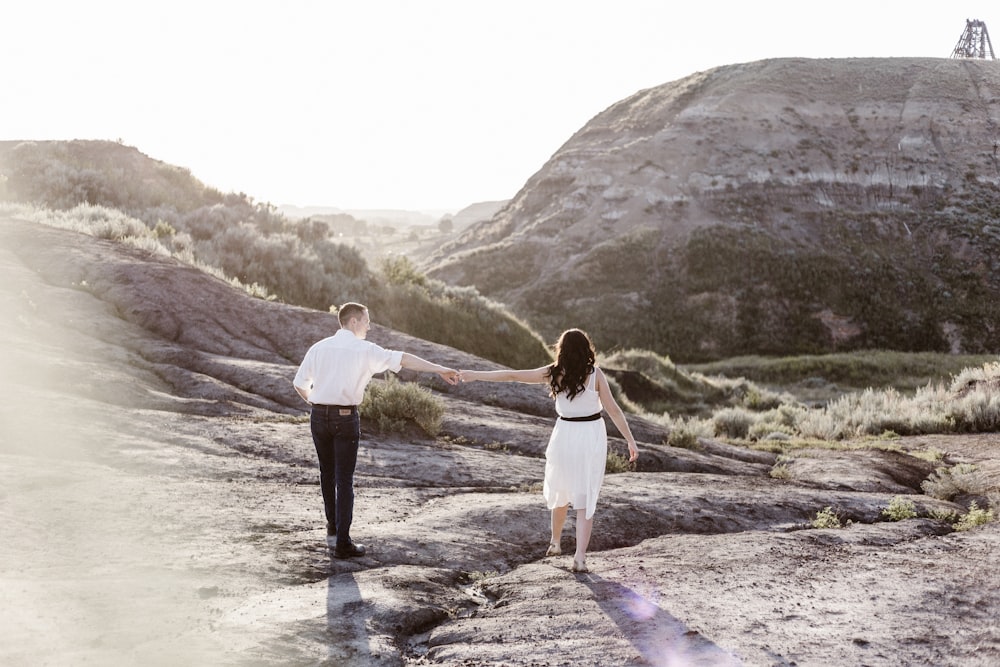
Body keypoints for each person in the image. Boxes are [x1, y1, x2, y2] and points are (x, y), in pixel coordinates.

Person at [459, 328, 638, 573]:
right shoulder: (595, 375)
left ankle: (555, 543)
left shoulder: (553, 372)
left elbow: (512, 376)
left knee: (560, 489)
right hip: (590, 436)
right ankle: (580, 557)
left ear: (561, 349)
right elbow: (614, 411)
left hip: (564, 435)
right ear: (586, 349)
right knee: (586, 497)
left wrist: (474, 375)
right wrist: (630, 440)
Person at [293, 302, 460, 558]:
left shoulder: (319, 347)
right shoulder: (365, 349)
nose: (369, 326)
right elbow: (403, 359)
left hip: (318, 415)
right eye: (366, 321)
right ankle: (343, 543)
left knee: (326, 472)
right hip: (346, 418)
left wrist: (316, 403)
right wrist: (439, 369)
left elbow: (299, 384)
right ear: (353, 322)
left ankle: (333, 527)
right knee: (344, 478)